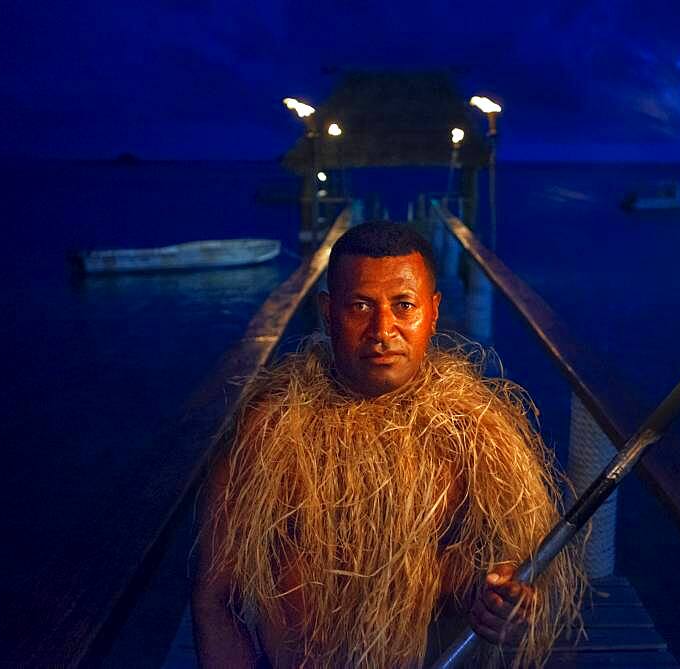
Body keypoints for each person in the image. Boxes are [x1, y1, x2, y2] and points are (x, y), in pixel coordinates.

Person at [192, 222, 582, 668]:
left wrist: (507, 603)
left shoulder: (474, 436)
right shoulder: (269, 435)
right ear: (328, 312)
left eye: (404, 305)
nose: (383, 329)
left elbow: (512, 579)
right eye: (360, 306)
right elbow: (216, 600)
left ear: (433, 312)